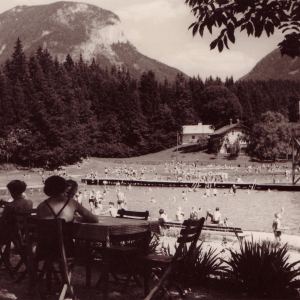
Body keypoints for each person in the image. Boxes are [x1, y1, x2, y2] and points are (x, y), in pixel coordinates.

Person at [36, 176, 98, 258]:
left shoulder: (41, 206)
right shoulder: (71, 202)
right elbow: (94, 219)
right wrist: (80, 218)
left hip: (43, 249)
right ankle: (67, 270)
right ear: (63, 187)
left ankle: (48, 269)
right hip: (65, 249)